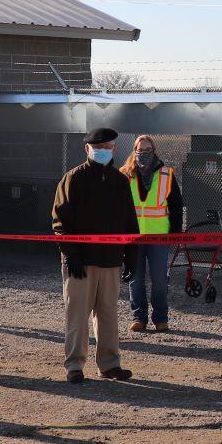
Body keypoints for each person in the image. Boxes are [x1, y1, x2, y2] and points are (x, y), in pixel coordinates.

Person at [51, 127, 139, 384]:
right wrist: (71, 255)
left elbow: (129, 222)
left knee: (108, 314)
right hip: (81, 261)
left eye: (108, 147)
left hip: (111, 260)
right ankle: (74, 365)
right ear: (87, 149)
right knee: (77, 315)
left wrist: (131, 255)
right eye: (98, 147)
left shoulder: (120, 181)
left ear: (114, 149)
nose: (104, 151)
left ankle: (109, 364)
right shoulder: (73, 179)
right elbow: (60, 221)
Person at [122, 134, 183, 332]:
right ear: (134, 151)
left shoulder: (166, 175)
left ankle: (160, 319)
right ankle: (138, 318)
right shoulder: (125, 175)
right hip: (133, 238)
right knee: (135, 279)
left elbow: (176, 205)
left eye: (147, 150)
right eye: (140, 150)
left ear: (154, 151)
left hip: (158, 237)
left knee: (159, 281)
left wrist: (175, 233)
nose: (143, 153)